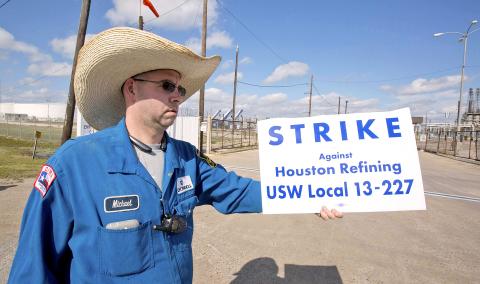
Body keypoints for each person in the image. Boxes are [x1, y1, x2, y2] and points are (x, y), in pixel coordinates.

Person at [8, 27, 342, 283]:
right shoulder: (73, 165)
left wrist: (306, 196)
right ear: (131, 88)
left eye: (180, 89)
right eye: (167, 86)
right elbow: (34, 267)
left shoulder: (187, 158)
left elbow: (238, 190)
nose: (177, 97)